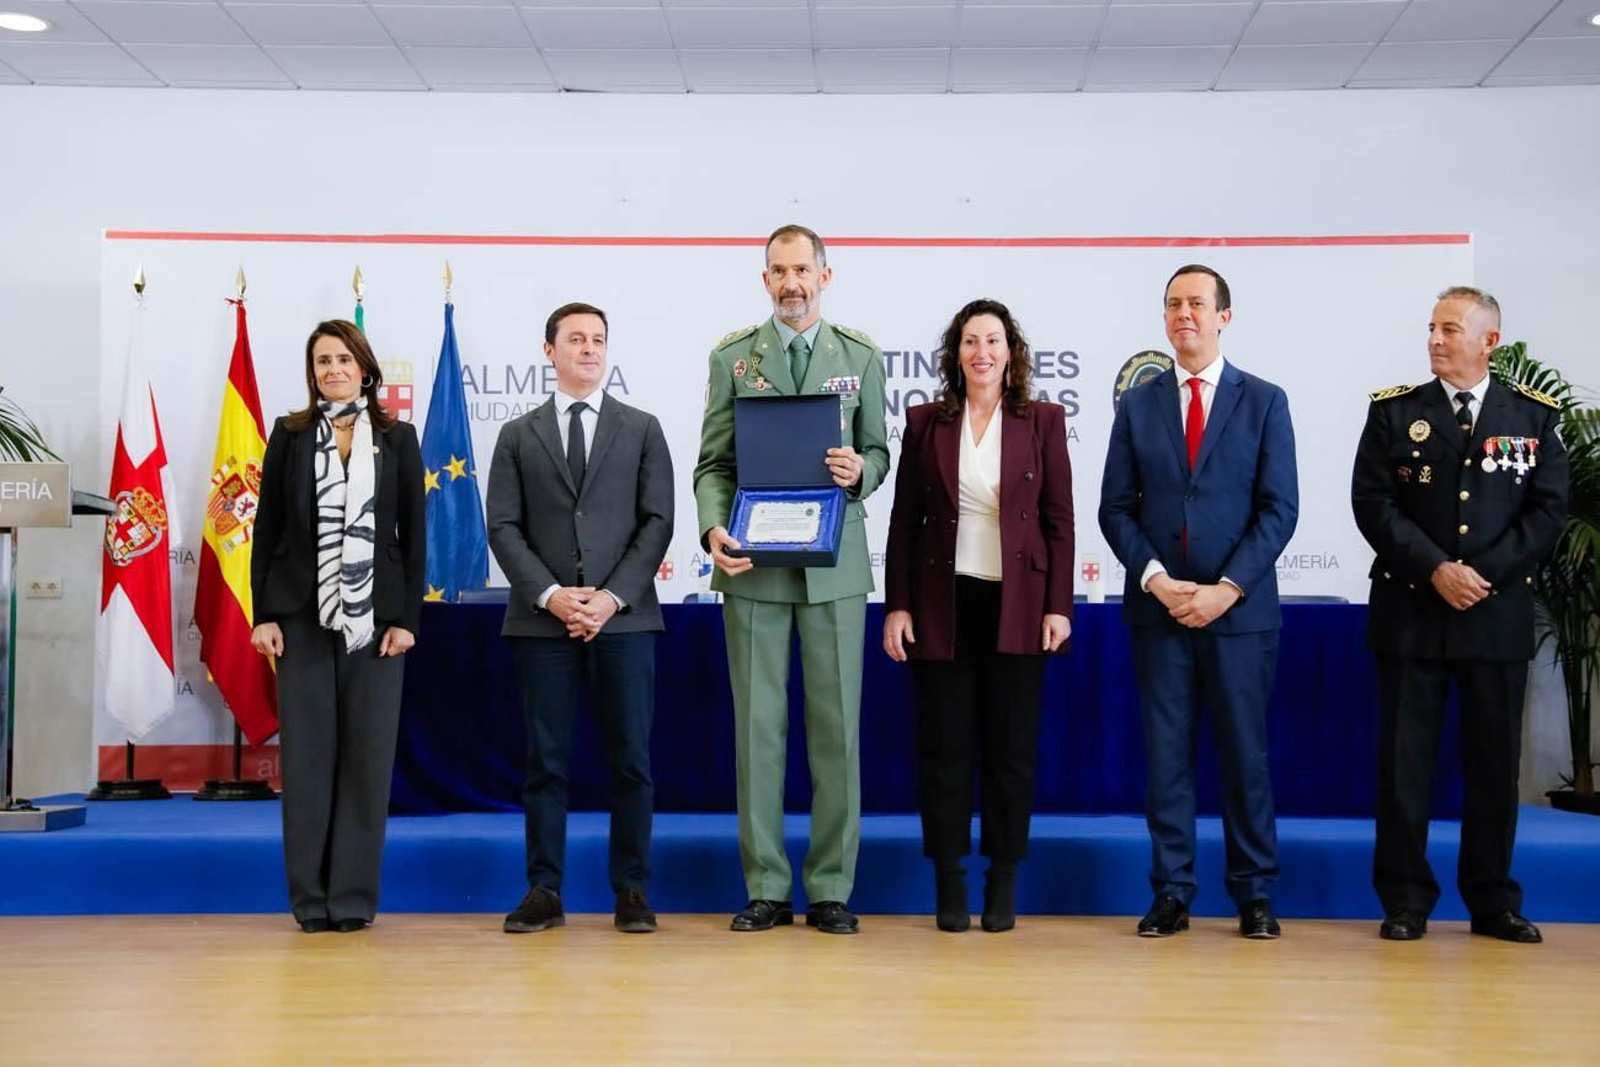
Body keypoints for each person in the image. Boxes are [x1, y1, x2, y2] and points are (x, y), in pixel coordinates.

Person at [1351, 286, 1568, 944]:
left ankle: (1492, 901)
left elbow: (1548, 510)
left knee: (1494, 769)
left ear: (1489, 341)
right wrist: (1436, 569)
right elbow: (1372, 503)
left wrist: (1482, 575)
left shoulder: (1532, 417)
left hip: (1494, 617)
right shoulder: (1396, 413)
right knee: (1405, 767)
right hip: (1413, 613)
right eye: (1432, 328)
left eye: (1449, 329)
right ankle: (1406, 899)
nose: (1435, 339)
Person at [693, 224, 889, 935]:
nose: (791, 282)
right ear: (765, 279)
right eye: (778, 270)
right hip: (752, 568)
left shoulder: (860, 357)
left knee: (838, 732)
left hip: (834, 569)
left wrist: (863, 471)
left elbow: (878, 449)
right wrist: (713, 528)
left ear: (826, 275)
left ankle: (832, 886)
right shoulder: (734, 359)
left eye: (802, 268)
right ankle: (767, 886)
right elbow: (713, 463)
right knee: (759, 732)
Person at [1098, 265, 1299, 940]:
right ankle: (1172, 893)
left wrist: (1225, 589)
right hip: (1160, 610)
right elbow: (1115, 508)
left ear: (1224, 317)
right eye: (1173, 304)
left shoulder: (1265, 400)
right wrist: (1156, 578)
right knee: (1167, 759)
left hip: (1238, 614)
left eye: (1196, 304)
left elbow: (1279, 510)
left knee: (1245, 756)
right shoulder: (1138, 404)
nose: (1184, 313)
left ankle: (1255, 895)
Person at [882, 299, 1074, 934]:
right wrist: (898, 605)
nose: (982, 352)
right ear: (955, 354)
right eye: (970, 341)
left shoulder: (1043, 420)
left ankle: (1002, 882)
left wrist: (1058, 607)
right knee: (943, 750)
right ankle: (950, 882)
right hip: (943, 603)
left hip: (1019, 604)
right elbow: (905, 520)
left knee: (1012, 753)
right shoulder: (926, 422)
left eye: (993, 341)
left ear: (1011, 353)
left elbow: (1059, 521)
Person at [486, 302, 674, 935]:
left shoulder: (643, 428)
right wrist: (552, 595)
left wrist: (610, 597)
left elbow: (658, 522)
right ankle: (544, 888)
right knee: (546, 762)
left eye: (598, 339)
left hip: (624, 620)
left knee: (632, 763)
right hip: (544, 623)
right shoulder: (517, 434)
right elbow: (503, 527)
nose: (589, 349)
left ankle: (633, 890)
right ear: (550, 351)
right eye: (575, 339)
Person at [250, 319, 425, 934]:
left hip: (375, 624)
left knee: (366, 762)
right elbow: (266, 531)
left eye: (343, 359)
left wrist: (405, 620)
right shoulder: (290, 435)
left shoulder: (397, 438)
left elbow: (412, 535)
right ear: (312, 371)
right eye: (322, 361)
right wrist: (263, 614)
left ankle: (351, 899)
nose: (333, 370)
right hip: (299, 620)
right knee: (307, 762)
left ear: (365, 369)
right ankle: (309, 901)